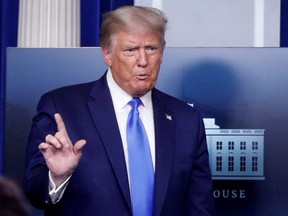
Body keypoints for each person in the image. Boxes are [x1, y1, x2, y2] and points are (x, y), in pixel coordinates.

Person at [24, 5, 214, 216]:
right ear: (107, 54)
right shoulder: (62, 107)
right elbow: (33, 192)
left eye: (151, 48)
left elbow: (199, 206)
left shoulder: (186, 119)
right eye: (131, 50)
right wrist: (57, 177)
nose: (143, 61)